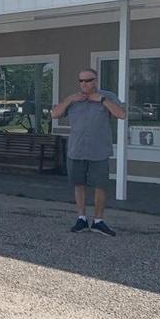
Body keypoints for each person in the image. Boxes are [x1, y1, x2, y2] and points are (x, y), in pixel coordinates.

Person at [50, 68, 126, 237]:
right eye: (81, 81)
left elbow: (121, 114)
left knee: (100, 186)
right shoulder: (74, 100)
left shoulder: (107, 96)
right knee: (79, 184)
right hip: (76, 150)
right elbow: (54, 114)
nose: (84, 84)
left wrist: (102, 100)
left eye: (88, 80)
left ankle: (98, 221)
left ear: (95, 81)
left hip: (99, 151)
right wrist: (69, 99)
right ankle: (82, 218)